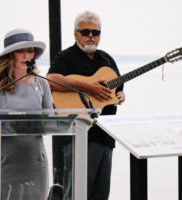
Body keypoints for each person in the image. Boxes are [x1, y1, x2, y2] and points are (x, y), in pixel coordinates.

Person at [47, 11, 125, 200]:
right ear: (76, 34)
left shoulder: (106, 59)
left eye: (95, 33)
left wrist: (120, 96)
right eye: (86, 32)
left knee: (100, 194)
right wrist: (87, 87)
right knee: (77, 193)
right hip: (78, 137)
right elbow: (50, 80)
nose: (91, 36)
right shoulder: (66, 57)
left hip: (105, 136)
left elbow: (116, 91)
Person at [0, 28, 53, 200]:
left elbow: (49, 121)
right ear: (10, 55)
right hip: (7, 162)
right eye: (20, 50)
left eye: (30, 50)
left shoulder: (42, 84)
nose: (27, 55)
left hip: (36, 161)